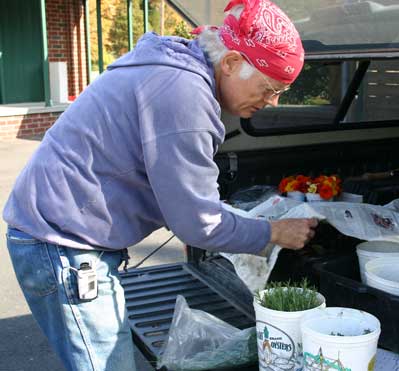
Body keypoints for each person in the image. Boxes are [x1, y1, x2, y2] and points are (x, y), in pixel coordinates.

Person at [3, 0, 317, 370]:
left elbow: (178, 194)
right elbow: (198, 225)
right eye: (269, 87)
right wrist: (273, 232)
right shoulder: (185, 95)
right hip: (62, 246)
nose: (273, 102)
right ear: (231, 63)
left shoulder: (174, 68)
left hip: (59, 234)